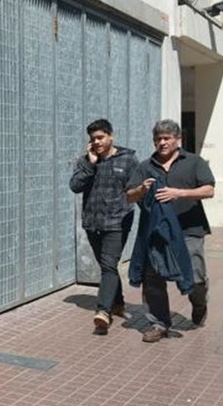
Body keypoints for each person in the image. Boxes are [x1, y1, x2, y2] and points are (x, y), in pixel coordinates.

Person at [126, 119, 215, 343]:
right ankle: (159, 323)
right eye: (158, 139)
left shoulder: (194, 162)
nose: (162, 143)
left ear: (178, 140)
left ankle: (199, 303)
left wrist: (179, 193)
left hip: (189, 229)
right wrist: (140, 189)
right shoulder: (145, 166)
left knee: (194, 277)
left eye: (167, 138)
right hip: (155, 232)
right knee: (153, 277)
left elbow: (209, 190)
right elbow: (129, 196)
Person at [69, 119, 138, 333]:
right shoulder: (86, 161)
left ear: (111, 136)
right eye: (93, 139)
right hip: (92, 223)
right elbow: (75, 186)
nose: (97, 142)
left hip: (118, 221)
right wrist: (90, 164)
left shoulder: (128, 160)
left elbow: (135, 189)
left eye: (100, 137)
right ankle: (118, 302)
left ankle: (103, 312)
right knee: (107, 266)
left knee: (108, 265)